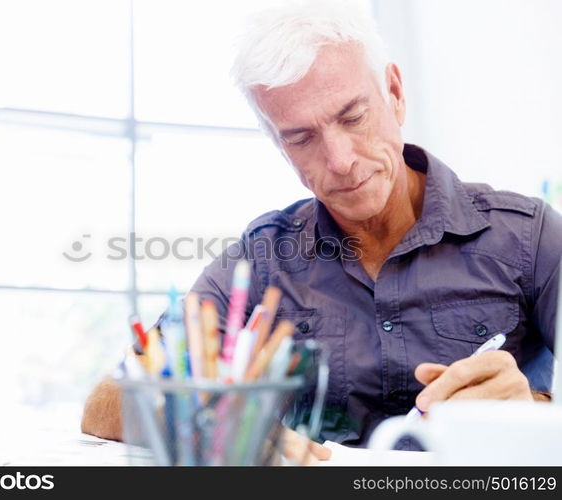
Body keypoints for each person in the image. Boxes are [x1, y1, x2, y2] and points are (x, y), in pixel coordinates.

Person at [82, 0, 561, 462]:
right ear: (277, 144)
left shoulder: (530, 238)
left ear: (394, 92)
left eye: (353, 117)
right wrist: (217, 426)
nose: (340, 161)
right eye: (301, 138)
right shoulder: (263, 258)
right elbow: (107, 402)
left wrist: (530, 414)